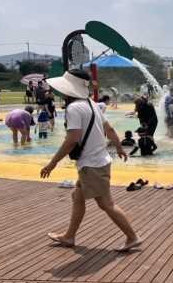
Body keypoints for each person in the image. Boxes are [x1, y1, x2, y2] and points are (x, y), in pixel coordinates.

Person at [41, 69, 141, 252]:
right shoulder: (91, 103)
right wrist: (119, 147)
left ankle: (132, 237)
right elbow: (109, 129)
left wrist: (53, 162)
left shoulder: (73, 108)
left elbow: (72, 139)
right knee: (77, 195)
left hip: (91, 164)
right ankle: (69, 236)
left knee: (106, 204)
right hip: (99, 159)